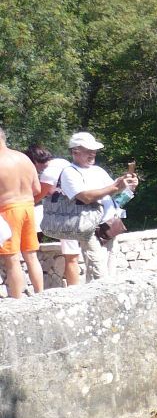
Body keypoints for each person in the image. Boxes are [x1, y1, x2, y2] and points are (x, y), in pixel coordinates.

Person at [58, 131, 137, 283]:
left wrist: (128, 187)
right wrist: (115, 187)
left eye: (94, 151)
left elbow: (114, 196)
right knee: (100, 277)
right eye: (88, 151)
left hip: (109, 227)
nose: (93, 154)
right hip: (89, 230)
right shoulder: (69, 173)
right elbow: (86, 197)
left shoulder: (98, 170)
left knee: (109, 275)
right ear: (75, 151)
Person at [25, 144, 81, 287]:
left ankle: (75, 291)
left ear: (35, 162)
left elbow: (36, 197)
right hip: (77, 210)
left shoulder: (49, 173)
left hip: (67, 214)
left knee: (71, 257)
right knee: (73, 254)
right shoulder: (62, 162)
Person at [0, 126, 44, 298]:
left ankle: (18, 301)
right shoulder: (23, 158)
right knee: (31, 256)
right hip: (28, 207)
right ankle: (41, 295)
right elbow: (37, 188)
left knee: (12, 260)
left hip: (8, 210)